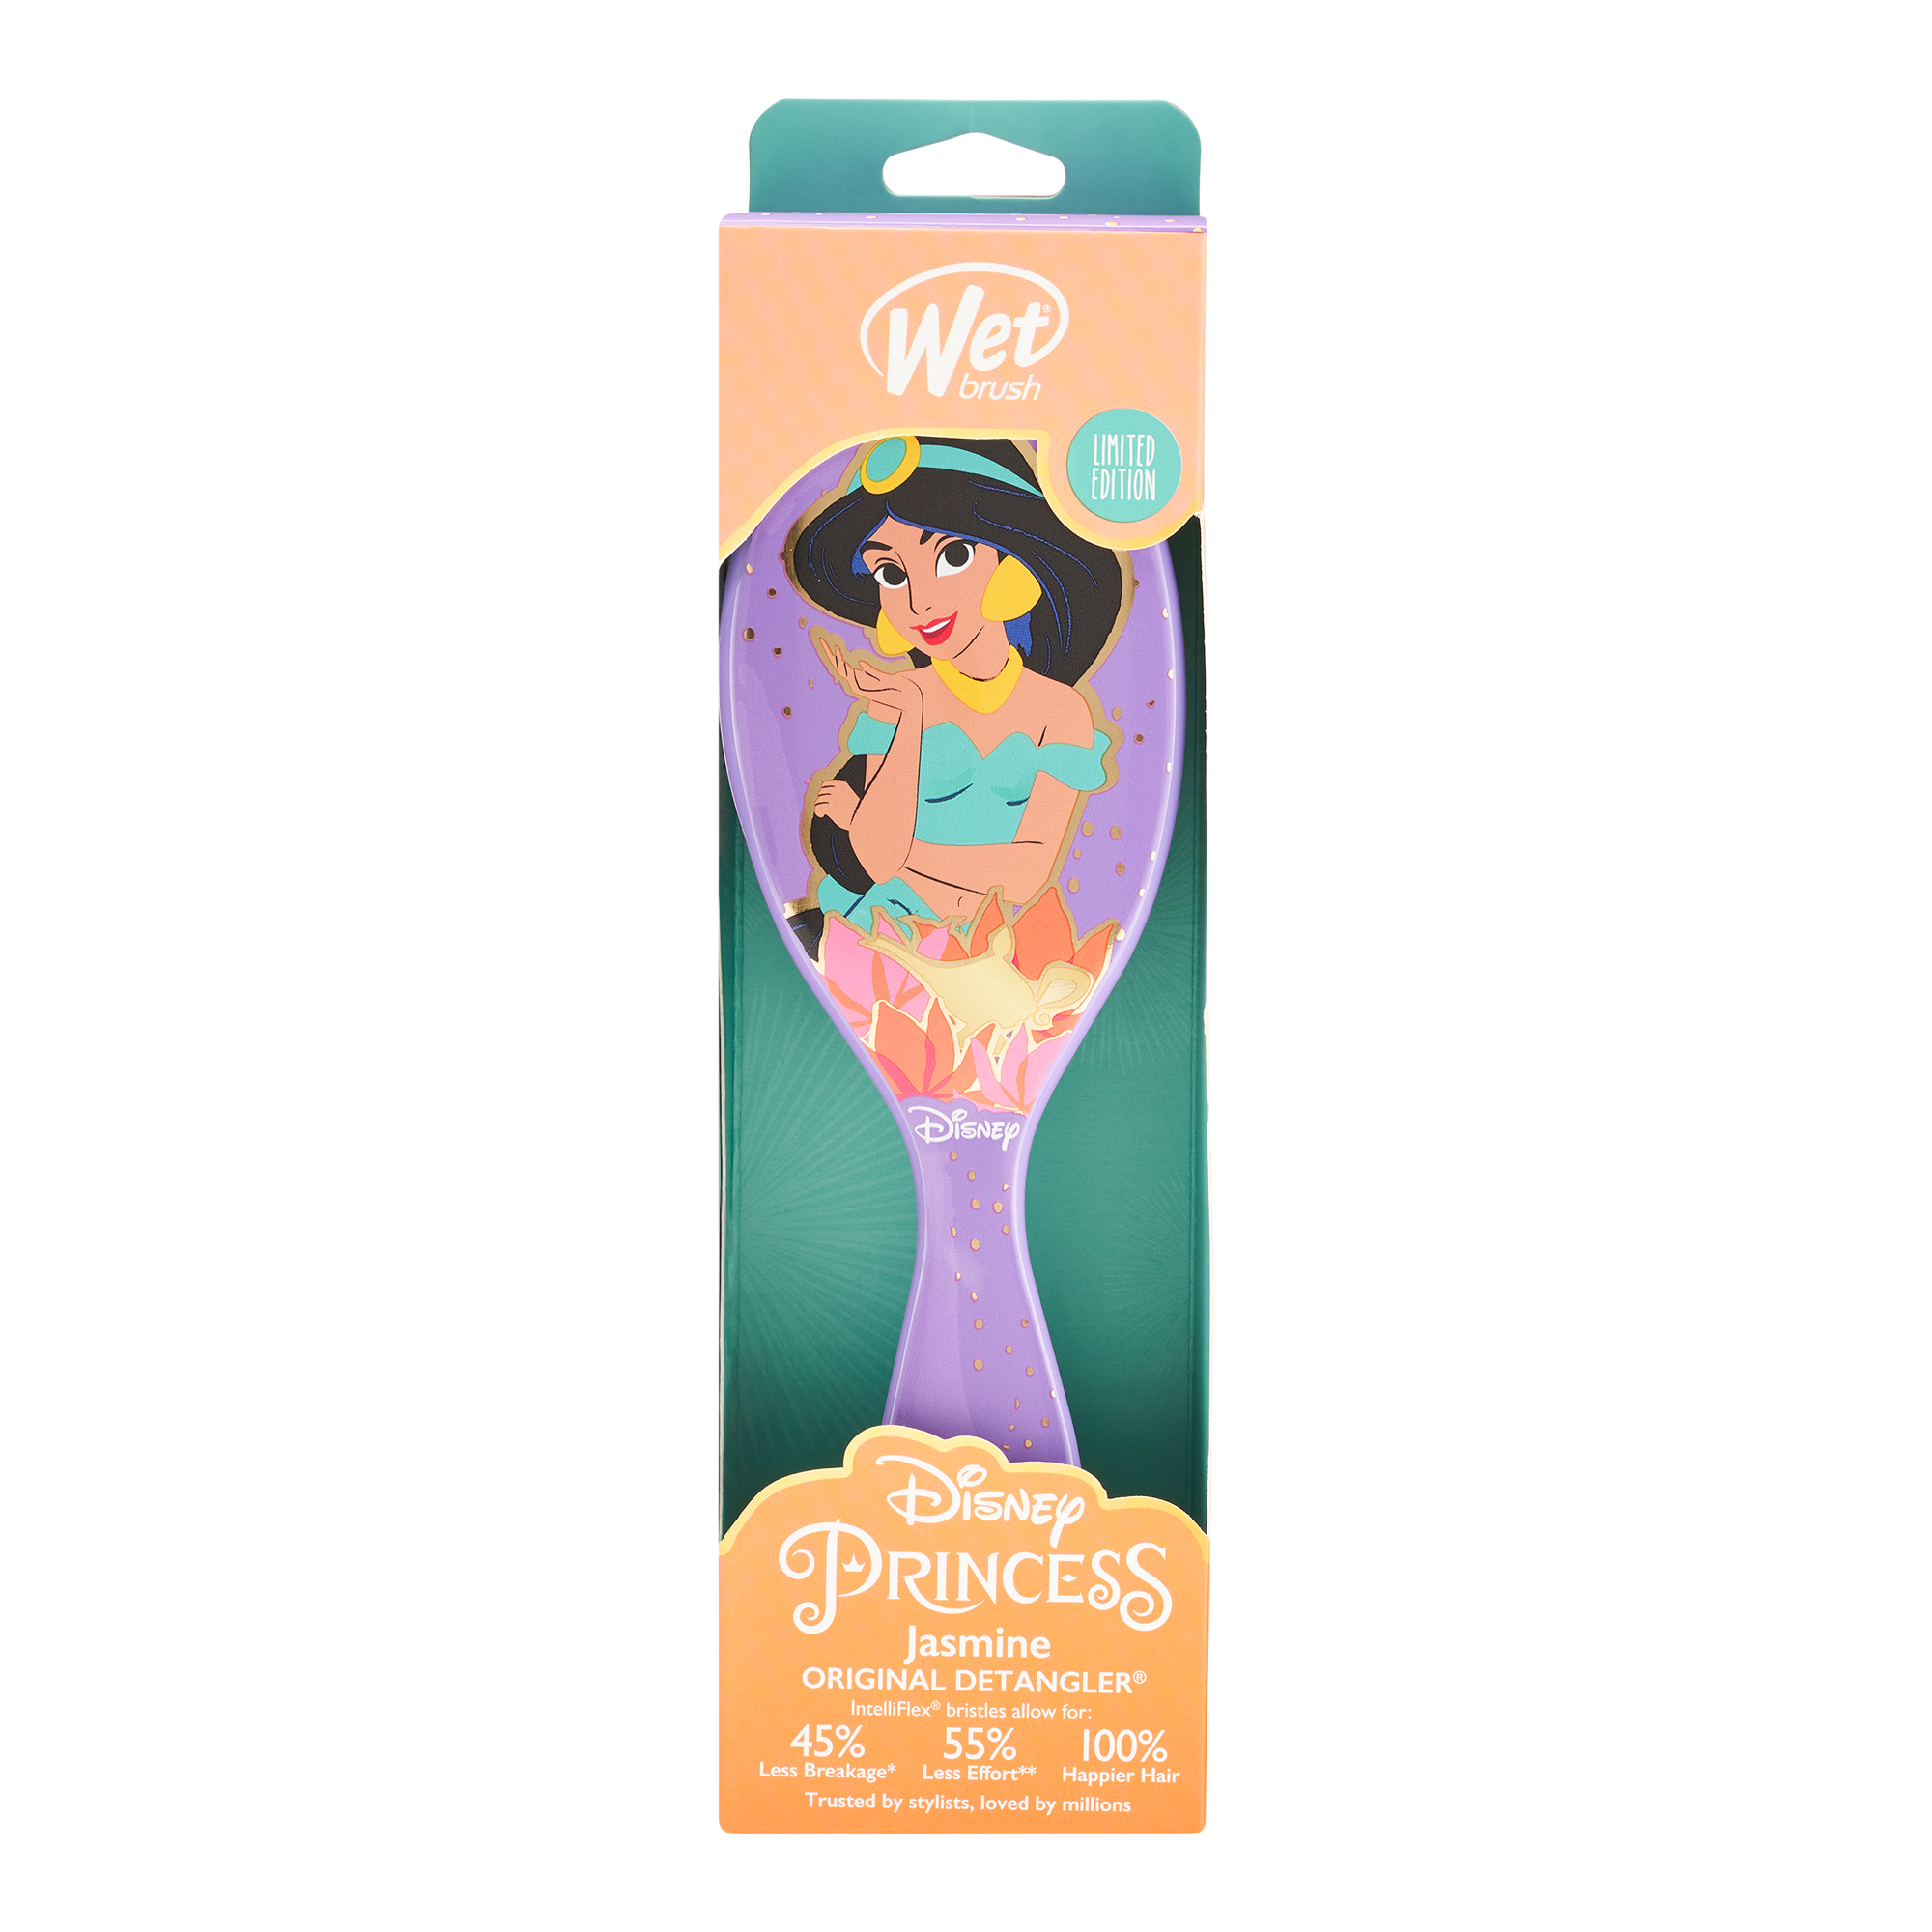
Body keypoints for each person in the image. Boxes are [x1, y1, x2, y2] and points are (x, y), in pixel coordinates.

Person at [785, 436, 1124, 945]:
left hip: (987, 943)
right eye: (891, 574)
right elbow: (875, 863)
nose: (919, 602)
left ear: (1011, 561)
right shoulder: (897, 698)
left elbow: (1027, 874)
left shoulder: (1060, 711)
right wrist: (911, 712)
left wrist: (880, 833)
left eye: (953, 555)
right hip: (878, 926)